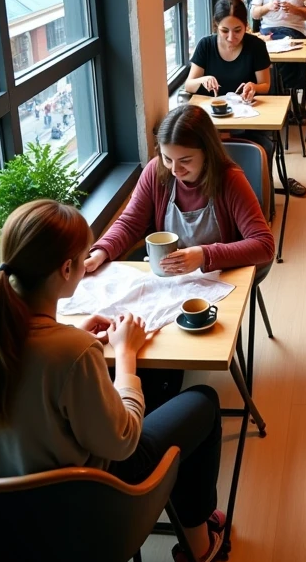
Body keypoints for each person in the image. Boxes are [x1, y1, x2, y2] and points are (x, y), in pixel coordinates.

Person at [0, 199, 225, 562]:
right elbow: (123, 442)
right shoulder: (71, 353)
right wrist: (126, 357)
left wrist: (71, 335)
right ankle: (197, 547)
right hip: (84, 518)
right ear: (66, 269)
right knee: (202, 402)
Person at [85, 106, 276, 406]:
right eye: (167, 158)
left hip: (220, 276)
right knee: (138, 337)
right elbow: (131, 222)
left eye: (185, 161)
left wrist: (203, 255)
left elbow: (264, 245)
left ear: (207, 152)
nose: (175, 170)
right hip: (171, 279)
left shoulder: (229, 180)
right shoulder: (156, 173)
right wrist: (100, 252)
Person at [185, 0, 306, 200]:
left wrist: (253, 86)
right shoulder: (206, 45)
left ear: (246, 26)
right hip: (211, 123)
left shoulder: (255, 46)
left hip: (247, 118)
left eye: (238, 30)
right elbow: (189, 85)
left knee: (263, 147)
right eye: (225, 31)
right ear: (216, 26)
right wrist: (202, 79)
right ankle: (212, 198)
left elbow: (265, 86)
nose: (231, 37)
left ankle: (256, 197)